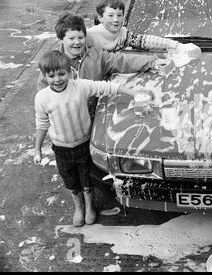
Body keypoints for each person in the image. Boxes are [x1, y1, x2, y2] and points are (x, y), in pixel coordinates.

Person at [33, 50, 147, 227]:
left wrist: (133, 93)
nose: (57, 79)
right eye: (52, 75)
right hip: (61, 148)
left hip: (84, 144)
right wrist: (37, 149)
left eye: (62, 74)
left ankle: (89, 207)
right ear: (45, 76)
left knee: (87, 178)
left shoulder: (80, 86)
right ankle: (78, 208)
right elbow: (41, 124)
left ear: (70, 72)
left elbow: (106, 87)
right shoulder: (42, 98)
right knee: (70, 180)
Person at [37, 12, 169, 118]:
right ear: (60, 40)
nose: (77, 42)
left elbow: (121, 60)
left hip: (91, 115)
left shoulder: (96, 56)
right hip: (65, 119)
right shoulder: (52, 63)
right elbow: (43, 95)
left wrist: (152, 61)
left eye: (81, 37)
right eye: (71, 39)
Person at [87, 0, 201, 56]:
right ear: (100, 18)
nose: (116, 20)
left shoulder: (123, 34)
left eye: (120, 15)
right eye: (111, 16)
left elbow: (146, 40)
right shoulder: (89, 36)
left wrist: (176, 45)